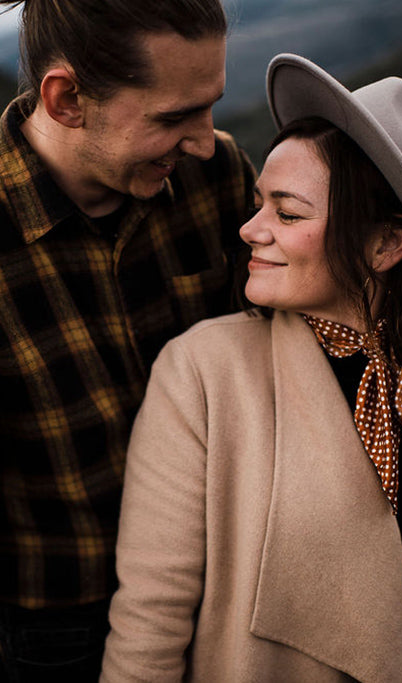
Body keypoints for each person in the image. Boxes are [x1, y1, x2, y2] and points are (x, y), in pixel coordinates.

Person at [100, 54, 402, 682]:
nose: (250, 229)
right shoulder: (202, 373)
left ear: (385, 246)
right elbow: (150, 618)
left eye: (287, 214)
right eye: (260, 203)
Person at [0, 0, 253, 678]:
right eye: (173, 117)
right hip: (58, 629)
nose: (204, 139)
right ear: (67, 98)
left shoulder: (221, 177)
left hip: (227, 580)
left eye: (210, 106)